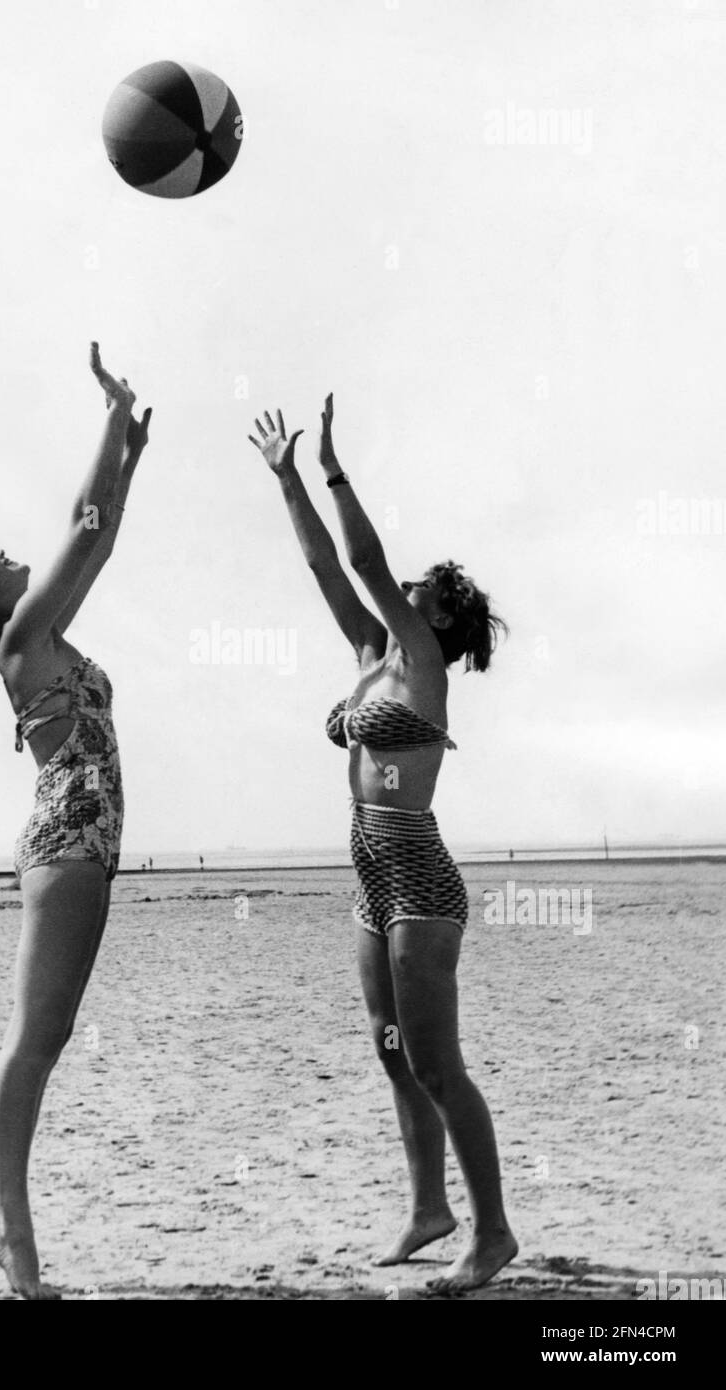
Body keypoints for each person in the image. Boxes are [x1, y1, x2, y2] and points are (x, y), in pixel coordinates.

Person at [249, 394, 517, 1292]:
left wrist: (332, 466)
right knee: (391, 1047)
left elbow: (364, 557)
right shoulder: (373, 651)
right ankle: (426, 1209)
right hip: (367, 872)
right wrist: (286, 480)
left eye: (422, 593)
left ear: (437, 619)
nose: (404, 590)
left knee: (438, 1061)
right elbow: (331, 567)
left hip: (418, 876)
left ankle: (492, 1233)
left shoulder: (424, 663)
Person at [0, 344, 150, 1298]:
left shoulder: (41, 634)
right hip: (65, 842)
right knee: (35, 1041)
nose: (3, 551)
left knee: (43, 1038)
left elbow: (98, 533)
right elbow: (85, 533)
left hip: (85, 845)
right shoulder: (21, 640)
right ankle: (9, 1231)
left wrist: (128, 454)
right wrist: (110, 424)